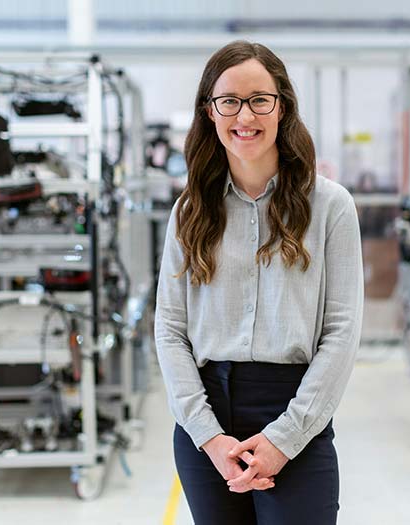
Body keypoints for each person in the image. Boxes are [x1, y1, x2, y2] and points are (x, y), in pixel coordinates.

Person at [155, 40, 364, 525]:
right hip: (206, 417)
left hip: (296, 410)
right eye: (228, 100)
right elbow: (169, 328)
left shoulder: (330, 207)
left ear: (282, 107)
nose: (243, 115)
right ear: (209, 112)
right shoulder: (190, 209)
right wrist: (207, 435)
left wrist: (284, 439)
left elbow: (341, 332)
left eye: (259, 100)